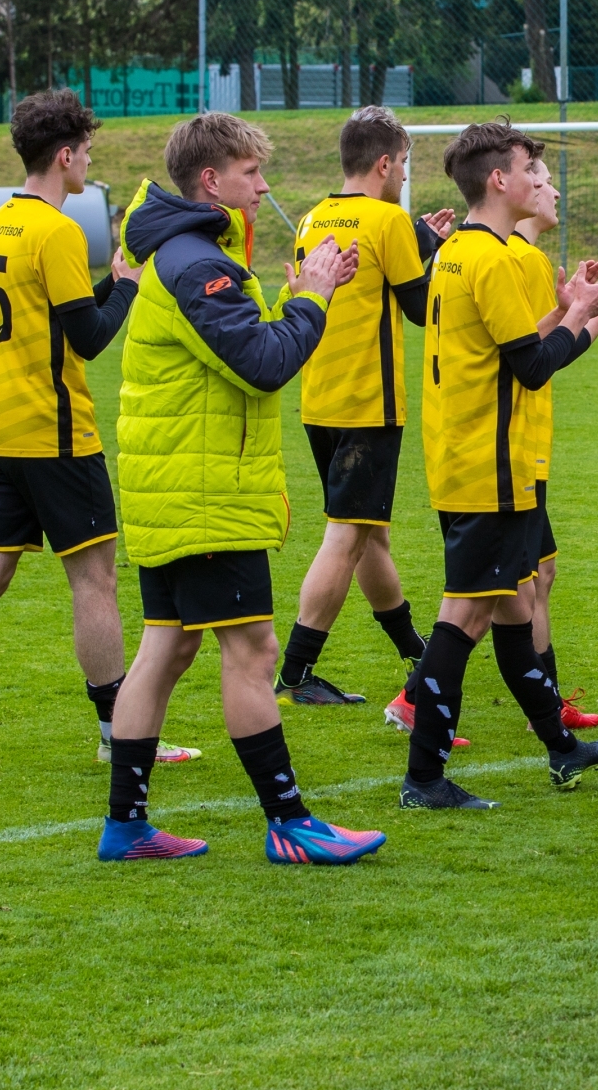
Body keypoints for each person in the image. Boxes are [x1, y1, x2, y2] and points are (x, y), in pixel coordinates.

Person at [0, 90, 201, 773]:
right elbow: (87, 338)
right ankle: (119, 732)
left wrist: (107, 283)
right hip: (52, 436)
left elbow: (51, 314)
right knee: (95, 579)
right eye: (85, 151)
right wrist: (126, 285)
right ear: (63, 156)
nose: (88, 162)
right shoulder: (56, 231)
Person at [99, 111, 385, 865]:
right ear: (210, 181)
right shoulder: (198, 264)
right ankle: (289, 822)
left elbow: (240, 349)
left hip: (176, 488)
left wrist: (303, 296)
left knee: (166, 649)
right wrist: (311, 301)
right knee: (254, 651)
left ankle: (126, 827)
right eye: (250, 173)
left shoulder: (186, 253)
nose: (262, 186)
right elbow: (262, 364)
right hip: (203, 495)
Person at [394, 121, 598, 812]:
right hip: (488, 465)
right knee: (465, 618)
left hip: (470, 456)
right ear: (499, 180)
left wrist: (575, 314)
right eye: (530, 169)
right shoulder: (491, 259)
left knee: (515, 610)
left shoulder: (458, 251)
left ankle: (561, 747)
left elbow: (512, 350)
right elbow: (531, 367)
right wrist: (587, 317)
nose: (539, 181)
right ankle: (424, 779)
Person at [273, 106, 452, 716]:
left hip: (319, 398)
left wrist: (420, 241)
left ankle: (416, 653)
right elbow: (420, 308)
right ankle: (296, 672)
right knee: (348, 535)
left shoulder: (313, 217)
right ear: (382, 163)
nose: (402, 174)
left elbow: (364, 277)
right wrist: (443, 258)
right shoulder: (387, 218)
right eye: (401, 163)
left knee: (370, 533)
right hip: (368, 403)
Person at [508, 157, 598, 733]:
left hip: (521, 443)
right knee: (495, 591)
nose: (554, 191)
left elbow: (542, 350)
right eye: (542, 178)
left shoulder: (525, 259)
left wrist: (592, 313)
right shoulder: (516, 260)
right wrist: (585, 313)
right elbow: (529, 358)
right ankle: (418, 695)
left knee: (535, 576)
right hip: (506, 447)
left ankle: (547, 702)